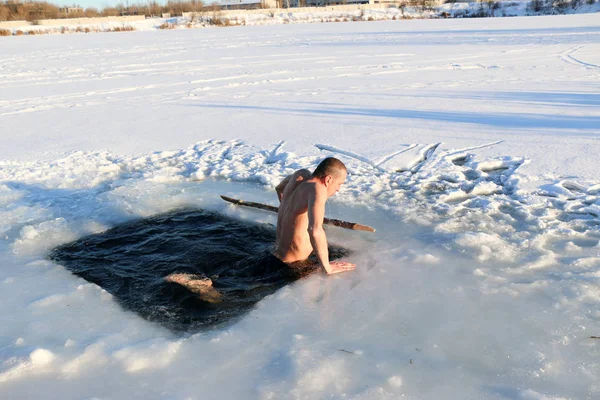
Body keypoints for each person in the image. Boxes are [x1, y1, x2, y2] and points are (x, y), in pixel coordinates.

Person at [272, 157, 356, 275]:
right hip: (295, 267)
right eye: (339, 184)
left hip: (275, 254)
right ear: (328, 179)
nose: (338, 189)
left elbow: (279, 188)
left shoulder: (300, 175)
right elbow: (315, 230)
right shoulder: (318, 189)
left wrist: (289, 211)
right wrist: (327, 268)